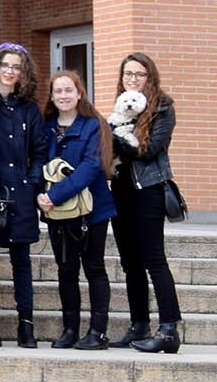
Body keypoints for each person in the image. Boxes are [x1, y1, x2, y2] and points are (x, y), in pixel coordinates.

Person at [106, 52, 181, 353]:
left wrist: (113, 140)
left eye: (139, 74)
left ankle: (168, 329)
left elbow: (149, 151)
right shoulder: (119, 109)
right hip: (121, 189)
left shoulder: (163, 107)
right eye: (128, 75)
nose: (133, 79)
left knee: (154, 260)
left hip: (148, 188)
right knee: (130, 263)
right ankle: (139, 325)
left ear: (150, 77)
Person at [0, 44, 46, 347]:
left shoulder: (30, 109)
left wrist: (32, 183)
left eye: (17, 66)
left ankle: (25, 326)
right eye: (6, 65)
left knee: (22, 261)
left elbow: (40, 151)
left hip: (22, 193)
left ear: (23, 72)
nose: (10, 71)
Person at [38, 70, 114, 350]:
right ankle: (70, 329)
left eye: (68, 90)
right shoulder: (45, 126)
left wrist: (54, 194)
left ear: (79, 93)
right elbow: (36, 163)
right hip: (57, 212)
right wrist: (40, 197)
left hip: (92, 209)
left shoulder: (94, 125)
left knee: (94, 267)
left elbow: (91, 166)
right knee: (65, 269)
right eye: (58, 91)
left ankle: (98, 332)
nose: (63, 96)